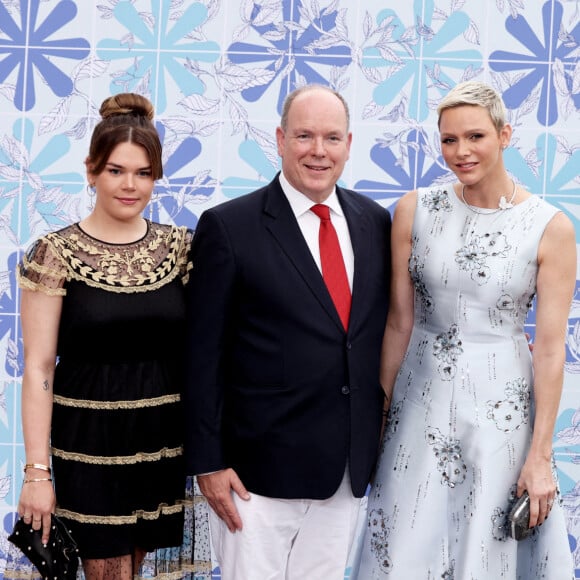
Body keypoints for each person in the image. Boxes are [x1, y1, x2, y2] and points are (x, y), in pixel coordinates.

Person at [355, 81, 576, 578]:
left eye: (475, 136)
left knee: (487, 546)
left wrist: (541, 456)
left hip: (501, 413)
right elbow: (399, 321)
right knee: (406, 539)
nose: (461, 151)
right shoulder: (415, 209)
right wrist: (380, 416)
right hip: (418, 403)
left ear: (505, 135)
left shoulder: (550, 227)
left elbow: (549, 350)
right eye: (449, 140)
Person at [183, 84, 391, 579]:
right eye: (304, 136)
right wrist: (208, 463)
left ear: (349, 144)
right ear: (279, 139)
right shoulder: (229, 226)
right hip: (254, 478)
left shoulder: (375, 223)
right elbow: (200, 356)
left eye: (332, 138)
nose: (318, 151)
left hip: (343, 471)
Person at [9, 93, 210, 579]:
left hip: (160, 442)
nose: (130, 185)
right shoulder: (54, 252)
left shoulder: (181, 248)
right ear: (92, 170)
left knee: (133, 571)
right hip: (87, 446)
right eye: (117, 170)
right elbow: (37, 367)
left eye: (143, 173)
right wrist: (37, 473)